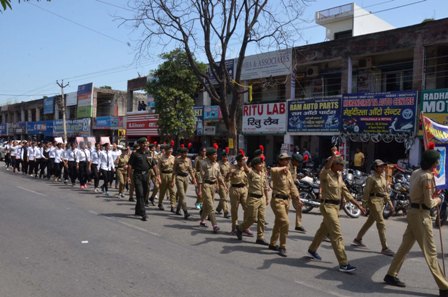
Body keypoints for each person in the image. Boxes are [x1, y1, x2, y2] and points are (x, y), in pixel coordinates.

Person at [384, 146, 448, 297]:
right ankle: (444, 286)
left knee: (405, 246)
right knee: (430, 251)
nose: (438, 163)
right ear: (432, 162)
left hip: (413, 212)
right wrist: (439, 199)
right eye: (437, 161)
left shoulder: (416, 172)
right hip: (421, 214)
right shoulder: (427, 177)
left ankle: (391, 274)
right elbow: (428, 202)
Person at [307, 154, 366, 272]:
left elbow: (346, 193)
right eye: (340, 164)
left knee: (323, 230)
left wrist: (358, 205)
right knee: (336, 234)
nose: (343, 166)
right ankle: (343, 263)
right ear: (334, 165)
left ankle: (312, 249)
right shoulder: (325, 173)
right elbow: (326, 167)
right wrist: (333, 157)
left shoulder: (339, 176)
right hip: (327, 206)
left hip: (336, 207)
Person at [352, 159, 395, 256]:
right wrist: (363, 205)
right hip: (374, 202)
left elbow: (385, 192)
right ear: (375, 168)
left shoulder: (383, 178)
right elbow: (366, 192)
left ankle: (358, 239)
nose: (383, 168)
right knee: (381, 224)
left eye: (383, 166)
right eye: (380, 166)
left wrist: (390, 203)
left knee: (369, 222)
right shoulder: (371, 178)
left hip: (381, 202)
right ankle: (385, 247)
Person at [268, 153, 300, 257]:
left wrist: (297, 198)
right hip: (277, 201)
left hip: (287, 201)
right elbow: (272, 170)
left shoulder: (288, 173)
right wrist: (281, 168)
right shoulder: (276, 171)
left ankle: (272, 244)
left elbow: (292, 186)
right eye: (284, 160)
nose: (286, 161)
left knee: (278, 223)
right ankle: (282, 246)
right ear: (280, 161)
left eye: (287, 159)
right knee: (285, 222)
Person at [235, 156, 269, 245]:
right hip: (253, 199)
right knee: (252, 219)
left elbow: (265, 186)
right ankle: (240, 228)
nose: (261, 165)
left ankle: (260, 238)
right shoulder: (251, 173)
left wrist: (267, 198)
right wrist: (244, 161)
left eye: (262, 163)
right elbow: (246, 168)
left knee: (262, 219)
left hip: (261, 198)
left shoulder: (263, 173)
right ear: (254, 165)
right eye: (259, 164)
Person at [127, 137, 158, 221]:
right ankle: (143, 213)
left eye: (146, 143)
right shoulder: (135, 154)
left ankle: (137, 210)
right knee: (140, 193)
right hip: (137, 175)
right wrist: (128, 177)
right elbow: (130, 166)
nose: (145, 145)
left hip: (146, 175)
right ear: (140, 144)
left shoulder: (149, 153)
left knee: (145, 193)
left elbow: (154, 165)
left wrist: (157, 175)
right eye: (143, 143)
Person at [198, 146, 226, 233]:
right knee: (210, 205)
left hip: (213, 186)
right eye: (214, 154)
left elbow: (219, 176)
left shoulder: (217, 164)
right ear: (209, 155)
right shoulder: (203, 163)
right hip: (206, 185)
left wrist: (224, 185)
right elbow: (200, 178)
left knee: (207, 205)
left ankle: (202, 221)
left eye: (216, 154)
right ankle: (215, 225)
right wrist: (199, 190)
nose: (216, 155)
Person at [172, 145, 196, 219]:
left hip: (186, 178)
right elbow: (174, 170)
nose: (185, 154)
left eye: (186, 153)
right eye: (183, 153)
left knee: (182, 195)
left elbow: (190, 170)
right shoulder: (177, 160)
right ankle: (185, 212)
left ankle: (178, 209)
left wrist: (193, 178)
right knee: (182, 195)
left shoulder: (188, 160)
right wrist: (172, 180)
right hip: (179, 177)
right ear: (181, 154)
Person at [228, 151, 249, 234]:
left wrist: (245, 165)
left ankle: (245, 227)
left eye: (244, 160)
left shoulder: (245, 168)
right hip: (234, 189)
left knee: (247, 208)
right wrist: (229, 174)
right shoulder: (232, 168)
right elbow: (227, 178)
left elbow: (249, 174)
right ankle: (234, 227)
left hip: (244, 189)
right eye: (241, 161)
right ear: (238, 161)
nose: (243, 162)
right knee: (234, 209)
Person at [157, 144, 176, 212]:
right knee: (162, 191)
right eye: (169, 149)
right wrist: (158, 177)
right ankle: (160, 203)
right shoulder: (161, 158)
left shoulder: (173, 157)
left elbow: (174, 168)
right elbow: (158, 168)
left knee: (172, 191)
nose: (171, 150)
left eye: (171, 149)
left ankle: (173, 205)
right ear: (166, 150)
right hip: (163, 175)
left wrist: (174, 179)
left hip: (171, 175)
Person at [291, 152, 305, 232]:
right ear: (294, 160)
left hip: (293, 187)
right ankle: (282, 222)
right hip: (286, 188)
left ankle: (298, 225)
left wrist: (297, 180)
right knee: (285, 206)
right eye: (298, 162)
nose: (299, 164)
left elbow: (294, 177)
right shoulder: (286, 165)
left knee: (299, 204)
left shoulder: (295, 166)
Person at [216, 148, 231, 218]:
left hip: (228, 182)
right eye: (224, 156)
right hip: (221, 182)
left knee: (223, 197)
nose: (225, 157)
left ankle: (219, 208)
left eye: (226, 156)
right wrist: (216, 185)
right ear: (222, 157)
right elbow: (217, 174)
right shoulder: (218, 164)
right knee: (224, 197)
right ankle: (226, 212)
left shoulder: (229, 164)